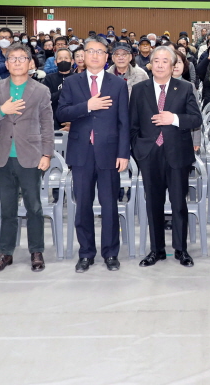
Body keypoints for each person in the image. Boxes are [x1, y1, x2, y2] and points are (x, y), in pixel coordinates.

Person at [57, 37, 131, 272]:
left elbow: (124, 122)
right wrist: (88, 106)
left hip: (109, 152)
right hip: (81, 153)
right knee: (83, 206)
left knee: (110, 205)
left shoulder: (117, 84)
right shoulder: (71, 82)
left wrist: (123, 153)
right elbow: (61, 113)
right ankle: (86, 253)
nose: (96, 56)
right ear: (83, 56)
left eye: (100, 52)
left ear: (106, 57)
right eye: (91, 51)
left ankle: (111, 253)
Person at [0, 44, 54, 274]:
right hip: (3, 156)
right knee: (7, 208)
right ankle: (6, 252)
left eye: (22, 58)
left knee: (34, 207)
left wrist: (47, 154)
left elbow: (47, 124)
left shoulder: (41, 90)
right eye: (13, 58)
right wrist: (3, 109)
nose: (18, 62)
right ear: (7, 62)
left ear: (30, 63)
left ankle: (36, 251)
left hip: (31, 156)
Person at [129, 46, 203, 268]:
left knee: (179, 203)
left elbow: (195, 119)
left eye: (165, 61)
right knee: (154, 204)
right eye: (156, 61)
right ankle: (156, 250)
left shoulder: (185, 88)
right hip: (149, 154)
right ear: (150, 64)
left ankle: (181, 250)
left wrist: (174, 118)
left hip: (177, 154)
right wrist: (138, 150)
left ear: (173, 66)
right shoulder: (139, 89)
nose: (160, 65)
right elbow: (132, 124)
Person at [44, 48, 74, 130]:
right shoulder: (48, 78)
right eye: (60, 58)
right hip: (53, 122)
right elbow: (46, 99)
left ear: (72, 61)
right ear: (55, 62)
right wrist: (63, 90)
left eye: (66, 58)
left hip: (75, 122)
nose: (63, 61)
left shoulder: (78, 78)